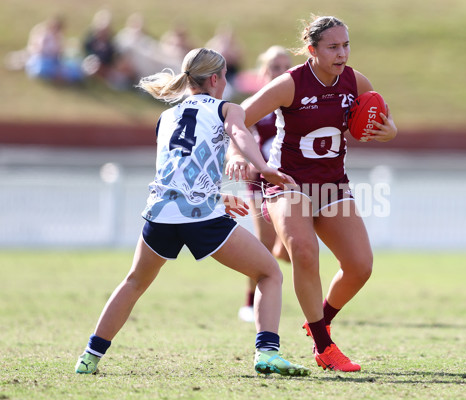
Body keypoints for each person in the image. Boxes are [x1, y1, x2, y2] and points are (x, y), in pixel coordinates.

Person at [74, 47, 310, 377]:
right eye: (225, 76)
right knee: (270, 273)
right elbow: (240, 133)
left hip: (160, 214)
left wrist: (218, 197)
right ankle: (267, 352)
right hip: (200, 218)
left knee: (134, 282)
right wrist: (263, 167)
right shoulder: (226, 108)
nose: (226, 82)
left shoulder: (166, 117)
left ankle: (89, 357)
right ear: (215, 79)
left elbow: (176, 168)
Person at [233, 15, 398, 372]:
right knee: (305, 253)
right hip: (287, 183)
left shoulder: (355, 81)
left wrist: (389, 130)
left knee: (360, 267)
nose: (343, 53)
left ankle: (317, 322)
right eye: (333, 47)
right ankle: (325, 346)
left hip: (332, 184)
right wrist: (239, 156)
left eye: (346, 45)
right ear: (312, 50)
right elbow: (237, 119)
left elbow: (384, 118)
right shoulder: (289, 84)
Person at [235, 46, 292, 323]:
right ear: (264, 72)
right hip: (261, 181)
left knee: (293, 247)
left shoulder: (298, 99)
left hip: (293, 180)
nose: (281, 72)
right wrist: (240, 158)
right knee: (264, 246)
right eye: (275, 67)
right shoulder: (258, 103)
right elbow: (236, 133)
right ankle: (249, 302)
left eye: (286, 66)